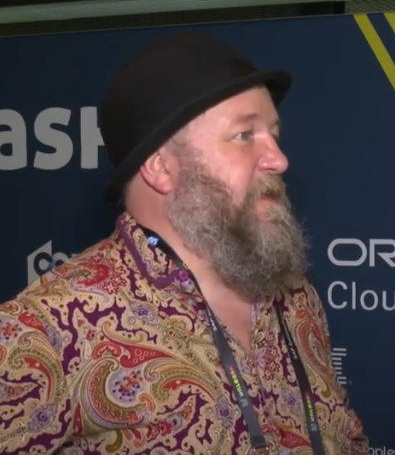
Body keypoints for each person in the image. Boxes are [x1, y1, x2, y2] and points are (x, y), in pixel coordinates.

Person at [0, 32, 369, 454]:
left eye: (274, 134)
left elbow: (346, 437)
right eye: (244, 136)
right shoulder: (48, 330)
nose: (279, 159)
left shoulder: (295, 296)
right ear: (160, 167)